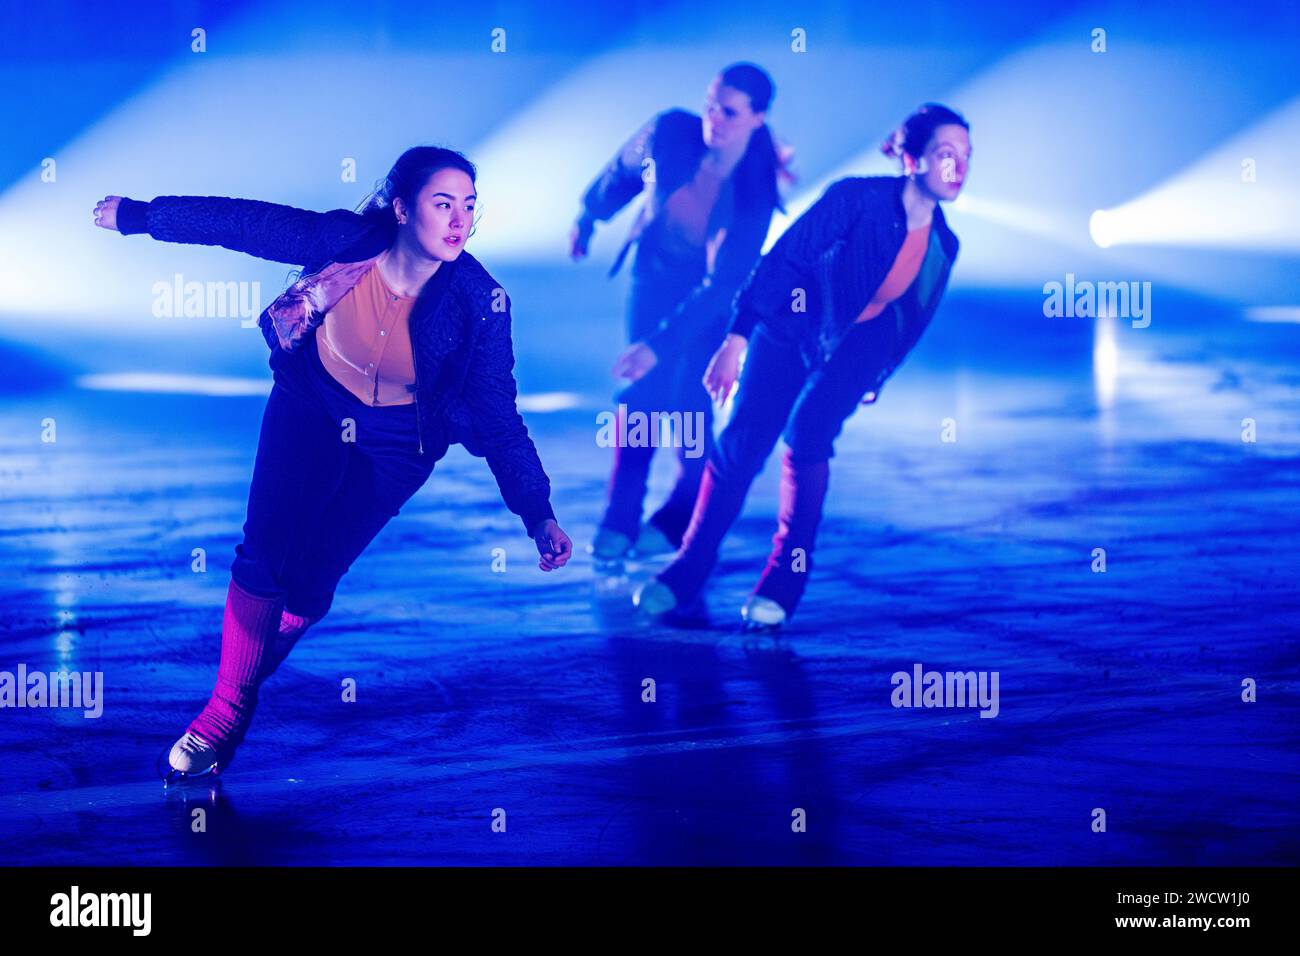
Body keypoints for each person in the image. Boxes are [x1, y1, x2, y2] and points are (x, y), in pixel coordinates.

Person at [93, 146, 573, 780]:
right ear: (402, 209)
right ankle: (225, 711)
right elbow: (245, 224)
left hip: (401, 443)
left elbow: (498, 415)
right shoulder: (346, 242)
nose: (460, 220)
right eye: (442, 203)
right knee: (265, 552)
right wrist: (142, 215)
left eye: (469, 206)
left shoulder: (481, 303)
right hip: (312, 404)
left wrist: (537, 513)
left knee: (314, 579)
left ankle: (245, 668)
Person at [633, 104, 971, 629]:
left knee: (809, 437)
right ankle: (690, 566)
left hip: (864, 341)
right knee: (744, 443)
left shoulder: (944, 244)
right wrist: (737, 338)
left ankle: (785, 579)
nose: (958, 168)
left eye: (966, 157)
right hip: (791, 325)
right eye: (945, 154)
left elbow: (913, 314)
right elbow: (784, 259)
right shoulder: (855, 199)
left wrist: (878, 374)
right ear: (912, 159)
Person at [571, 62, 789, 561]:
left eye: (729, 111)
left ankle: (683, 510)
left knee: (688, 404)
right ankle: (619, 517)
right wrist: (588, 215)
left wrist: (660, 345)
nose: (714, 117)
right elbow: (622, 170)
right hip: (653, 279)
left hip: (710, 300)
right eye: (711, 103)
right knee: (641, 399)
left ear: (757, 117)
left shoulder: (755, 190)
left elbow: (726, 282)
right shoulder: (671, 131)